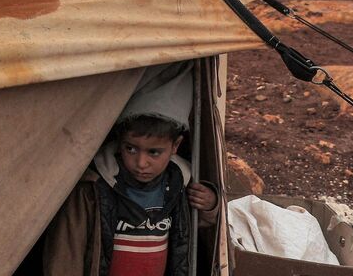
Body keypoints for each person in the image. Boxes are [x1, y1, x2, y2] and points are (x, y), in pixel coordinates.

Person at [44, 64, 221, 276]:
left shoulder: (179, 182)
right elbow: (67, 251)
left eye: (154, 152)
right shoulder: (92, 187)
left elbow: (190, 230)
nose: (141, 163)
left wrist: (210, 205)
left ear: (175, 146)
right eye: (131, 149)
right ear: (120, 141)